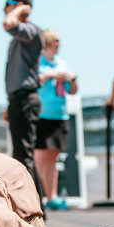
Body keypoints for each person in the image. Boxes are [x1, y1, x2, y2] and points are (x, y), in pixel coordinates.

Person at [3, 0, 46, 210]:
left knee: (24, 156)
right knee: (20, 155)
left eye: (8, 3)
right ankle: (28, 206)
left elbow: (8, 24)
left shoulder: (30, 30)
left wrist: (20, 9)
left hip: (26, 98)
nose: (4, 9)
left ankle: (34, 208)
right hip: (18, 99)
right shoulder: (20, 35)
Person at [34, 29, 78, 211]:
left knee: (53, 157)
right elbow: (34, 82)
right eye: (56, 41)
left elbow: (72, 90)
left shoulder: (62, 63)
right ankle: (39, 194)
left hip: (59, 114)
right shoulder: (38, 62)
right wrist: (52, 75)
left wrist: (73, 79)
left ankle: (52, 196)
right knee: (40, 157)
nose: (59, 44)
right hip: (41, 114)